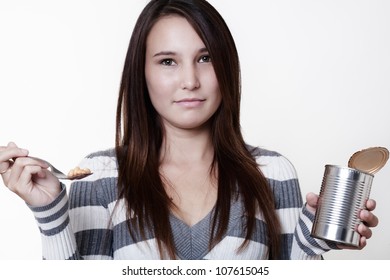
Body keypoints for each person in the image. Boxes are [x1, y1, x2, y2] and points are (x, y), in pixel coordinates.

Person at [0, 0, 378, 260]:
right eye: (168, 61)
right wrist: (49, 210)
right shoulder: (98, 175)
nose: (190, 80)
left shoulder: (273, 172)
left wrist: (315, 239)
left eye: (205, 58)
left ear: (226, 66)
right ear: (142, 73)